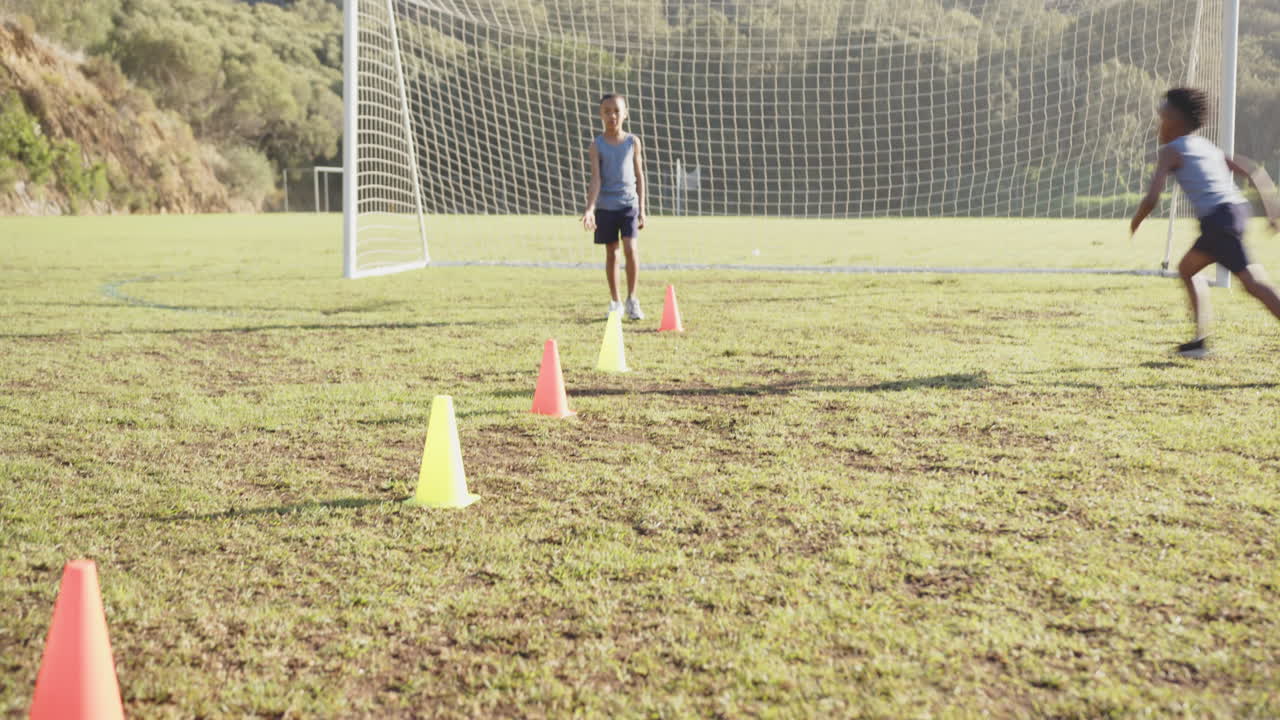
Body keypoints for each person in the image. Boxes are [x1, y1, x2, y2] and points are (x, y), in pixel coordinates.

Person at [1130, 87, 1280, 357]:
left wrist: (1136, 221)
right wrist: (1272, 211)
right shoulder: (1205, 146)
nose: (1159, 122)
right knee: (1187, 268)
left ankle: (1200, 341)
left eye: (1162, 116)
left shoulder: (1171, 151)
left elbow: (1152, 197)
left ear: (1175, 119)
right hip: (1232, 213)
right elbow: (1253, 171)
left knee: (1254, 283)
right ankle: (1199, 341)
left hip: (1219, 219)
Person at [580, 93, 648, 320]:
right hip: (606, 207)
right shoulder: (596, 145)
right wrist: (590, 208)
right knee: (612, 252)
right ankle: (616, 302)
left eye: (617, 110)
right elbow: (596, 178)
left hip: (628, 204)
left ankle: (632, 299)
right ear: (601, 115)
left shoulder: (632, 142)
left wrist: (642, 208)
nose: (612, 115)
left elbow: (639, 175)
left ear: (625, 113)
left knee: (631, 248)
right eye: (607, 111)